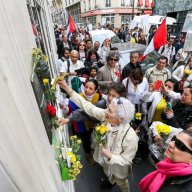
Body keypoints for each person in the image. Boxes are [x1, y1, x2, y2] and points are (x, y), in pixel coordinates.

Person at [57, 80, 139, 192]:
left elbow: (126, 160)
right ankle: (111, 181)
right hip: (104, 161)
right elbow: (88, 107)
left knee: (121, 182)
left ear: (120, 119)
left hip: (118, 168)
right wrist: (67, 88)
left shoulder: (131, 137)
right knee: (108, 173)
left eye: (110, 111)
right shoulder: (106, 116)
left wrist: (112, 157)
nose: (106, 112)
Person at [59, 79, 102, 165]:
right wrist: (64, 107)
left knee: (92, 137)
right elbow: (68, 109)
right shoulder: (79, 97)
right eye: (86, 87)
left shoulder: (98, 96)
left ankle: (92, 148)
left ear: (96, 90)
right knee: (85, 140)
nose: (87, 90)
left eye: (90, 88)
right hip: (81, 124)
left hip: (93, 124)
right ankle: (88, 154)